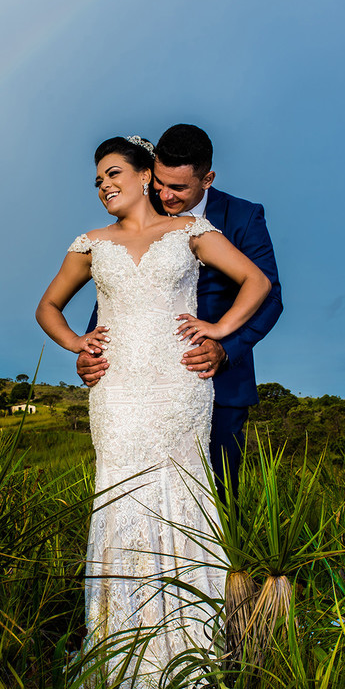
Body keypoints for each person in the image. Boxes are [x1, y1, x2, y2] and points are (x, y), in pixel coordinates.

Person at [36, 135, 270, 689]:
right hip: (117, 393)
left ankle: (192, 649)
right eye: (97, 180)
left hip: (179, 387)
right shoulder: (89, 244)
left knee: (185, 497)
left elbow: (258, 283)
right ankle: (119, 650)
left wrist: (219, 331)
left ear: (145, 175)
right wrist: (78, 345)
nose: (103, 186)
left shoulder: (191, 231)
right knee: (120, 499)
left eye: (113, 173)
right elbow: (48, 306)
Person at [77, 125, 283, 499]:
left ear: (207, 178)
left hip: (218, 381)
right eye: (159, 184)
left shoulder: (243, 216)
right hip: (137, 385)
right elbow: (117, 289)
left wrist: (225, 344)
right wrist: (90, 352)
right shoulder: (139, 215)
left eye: (179, 188)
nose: (165, 196)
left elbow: (270, 296)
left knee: (216, 497)